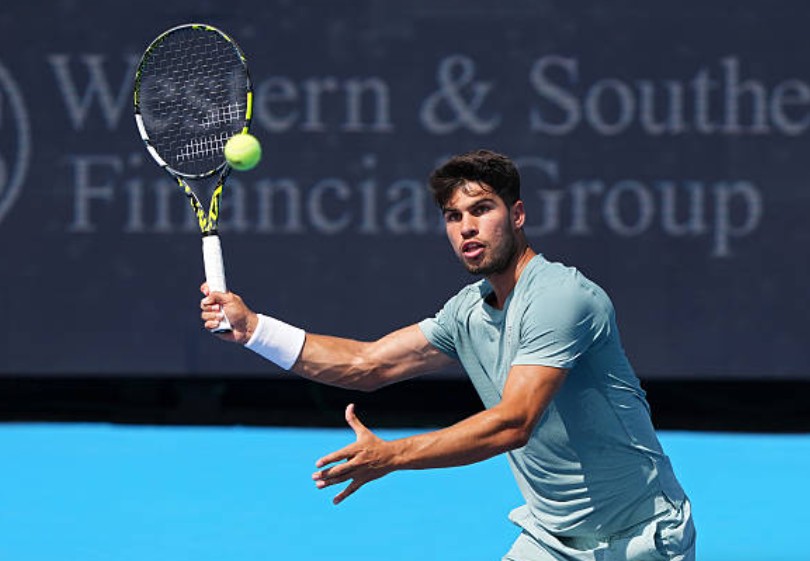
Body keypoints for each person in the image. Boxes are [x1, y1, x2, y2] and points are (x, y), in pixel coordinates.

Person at [200, 149, 696, 561]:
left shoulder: (560, 298)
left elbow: (513, 423)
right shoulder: (466, 312)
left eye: (482, 210)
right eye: (454, 216)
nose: (467, 228)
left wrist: (392, 455)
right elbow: (367, 364)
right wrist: (254, 329)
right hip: (550, 541)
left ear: (517, 215)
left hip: (640, 541)